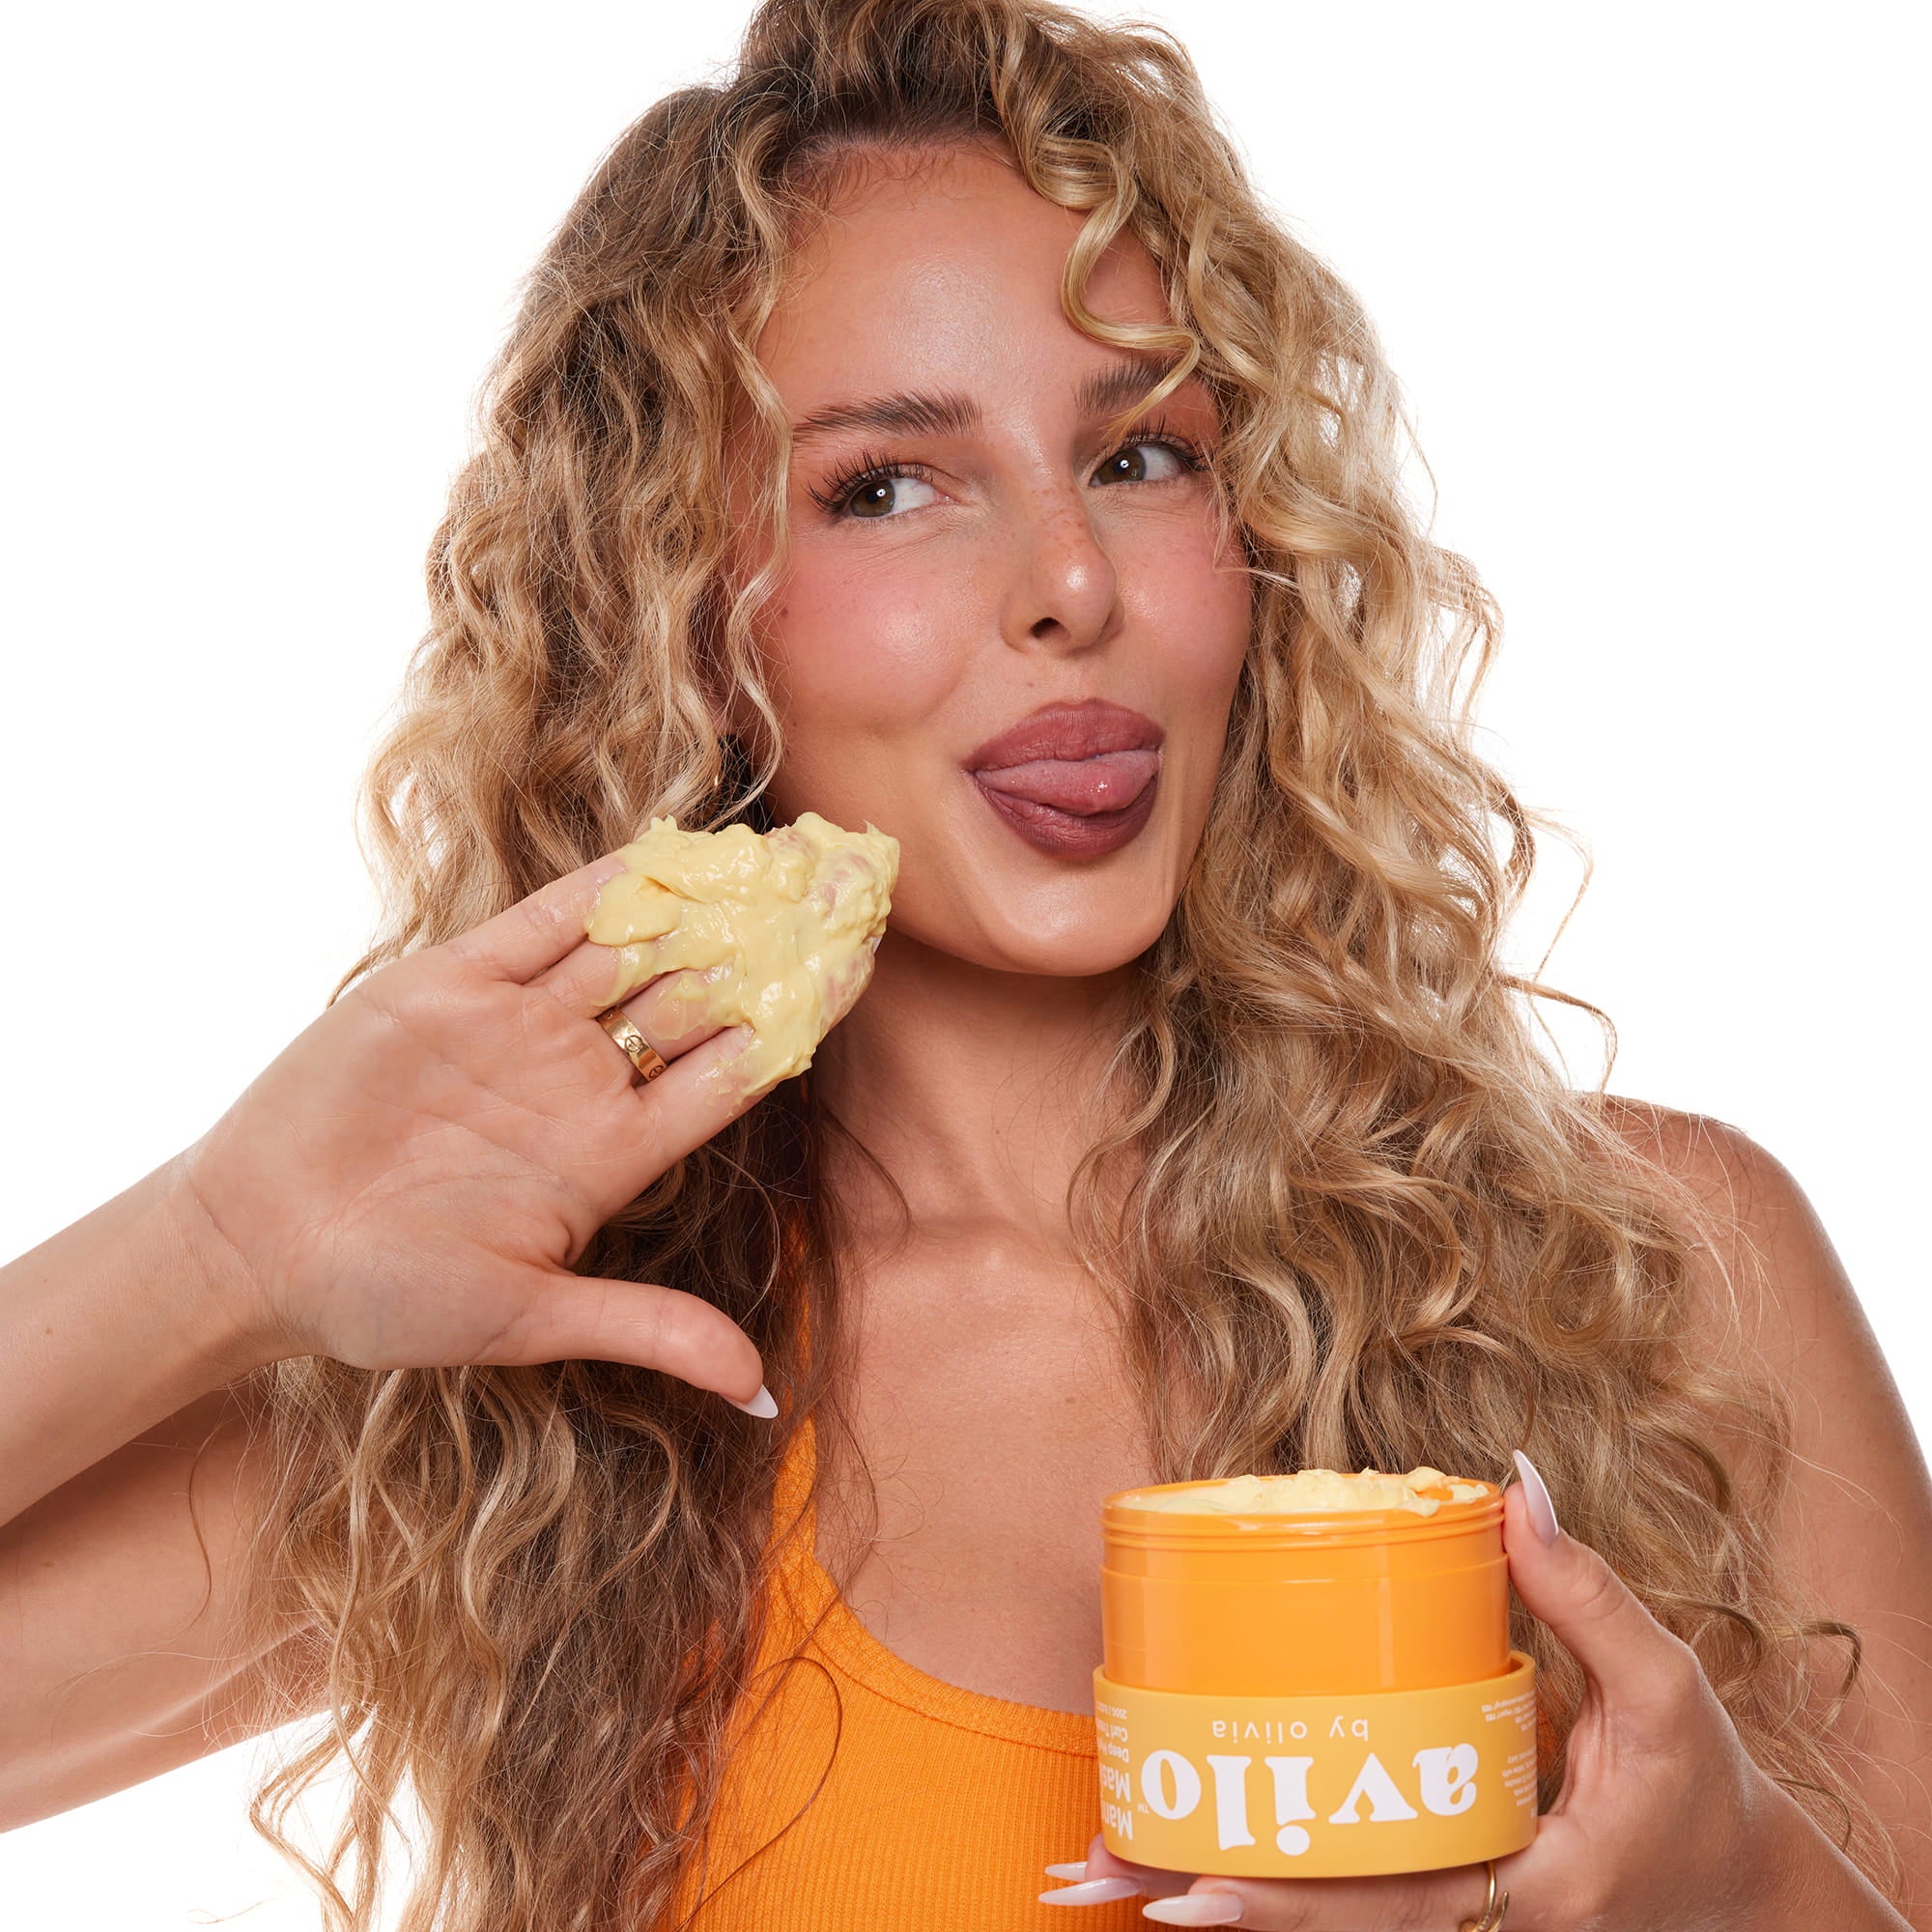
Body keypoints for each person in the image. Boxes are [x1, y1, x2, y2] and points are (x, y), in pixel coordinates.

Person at [2, 0, 1926, 1927]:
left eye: (1142, 452)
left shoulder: (1665, 1269)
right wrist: (222, 1245)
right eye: (885, 485)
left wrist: (1740, 1891)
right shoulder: (540, 1425)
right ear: (688, 621)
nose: (1067, 581)